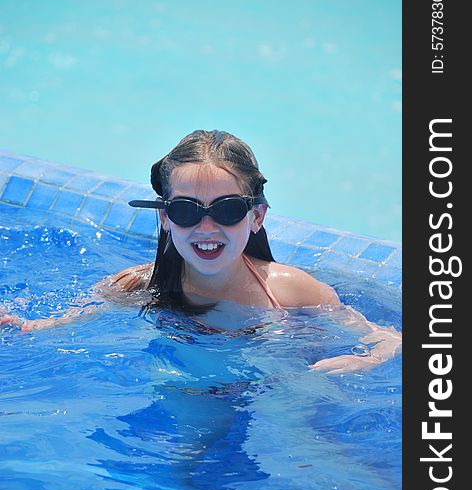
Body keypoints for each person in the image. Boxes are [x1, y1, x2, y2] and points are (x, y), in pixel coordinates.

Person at [1, 130, 401, 373]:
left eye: (226, 210)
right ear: (164, 218)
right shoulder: (138, 284)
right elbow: (73, 319)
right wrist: (27, 327)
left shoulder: (293, 292)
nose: (206, 228)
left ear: (256, 217)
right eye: (186, 211)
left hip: (273, 384)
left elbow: (390, 338)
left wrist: (366, 360)